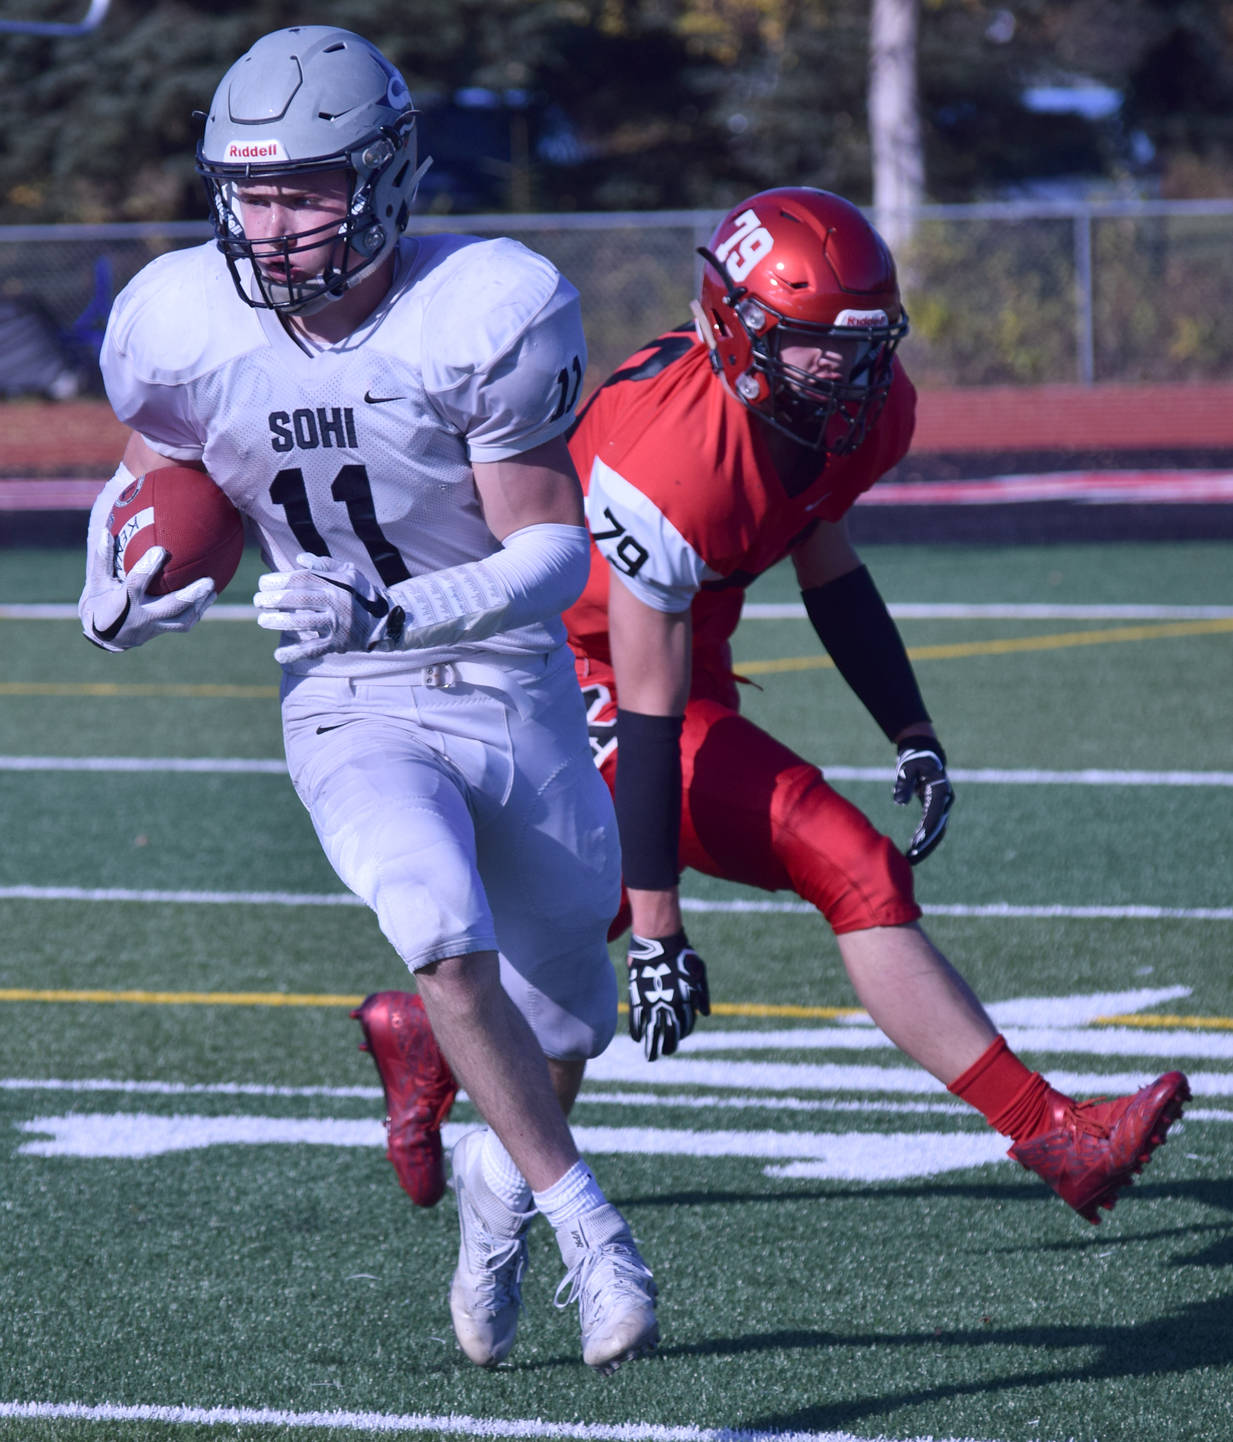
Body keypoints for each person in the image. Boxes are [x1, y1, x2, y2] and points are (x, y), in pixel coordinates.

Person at [362, 186, 1190, 1232]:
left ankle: (429, 1037)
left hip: (679, 645)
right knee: (847, 859)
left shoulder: (854, 408)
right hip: (565, 662)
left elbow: (825, 553)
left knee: (575, 931)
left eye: (861, 343)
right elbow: (651, 705)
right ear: (737, 326)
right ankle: (1054, 1135)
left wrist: (911, 725)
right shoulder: (671, 465)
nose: (845, 370)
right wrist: (665, 930)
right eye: (813, 345)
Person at [75, 25, 658, 1377]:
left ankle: (499, 1189)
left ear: (386, 181)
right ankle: (588, 1224)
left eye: (307, 192)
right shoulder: (182, 322)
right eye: (253, 192)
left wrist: (398, 605)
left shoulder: (485, 309)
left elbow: (553, 553)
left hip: (507, 683)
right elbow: (151, 490)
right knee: (440, 934)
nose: (273, 227)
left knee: (570, 1004)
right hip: (346, 695)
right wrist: (114, 596)